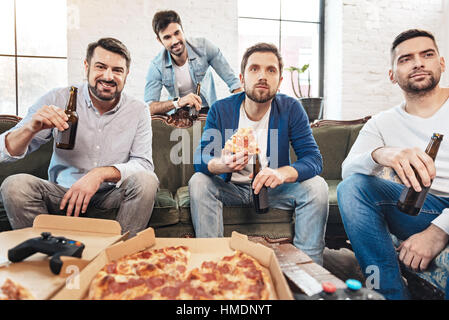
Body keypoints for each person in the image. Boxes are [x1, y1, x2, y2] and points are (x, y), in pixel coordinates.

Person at [0, 38, 159, 237]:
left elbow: (144, 164)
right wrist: (30, 128)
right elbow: (4, 152)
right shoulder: (58, 98)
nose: (108, 76)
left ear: (127, 74)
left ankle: (120, 254)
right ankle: (49, 251)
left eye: (117, 70)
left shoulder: (138, 110)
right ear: (86, 66)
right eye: (100, 67)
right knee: (15, 186)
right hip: (61, 192)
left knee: (146, 181)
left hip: (109, 195)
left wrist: (98, 174)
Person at [189, 42, 329, 265]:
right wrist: (221, 164)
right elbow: (200, 159)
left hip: (274, 191)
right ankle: (212, 264)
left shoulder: (292, 109)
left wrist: (282, 173)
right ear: (242, 78)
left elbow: (313, 159)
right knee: (199, 181)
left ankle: (308, 269)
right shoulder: (220, 109)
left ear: (280, 81)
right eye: (254, 69)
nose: (262, 76)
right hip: (230, 189)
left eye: (271, 70)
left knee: (317, 187)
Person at [337, 29, 449, 299]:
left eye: (427, 54)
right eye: (406, 59)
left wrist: (439, 231)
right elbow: (347, 171)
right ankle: (390, 295)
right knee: (352, 187)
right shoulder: (382, 122)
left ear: (441, 63)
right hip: (419, 207)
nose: (418, 63)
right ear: (392, 75)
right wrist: (381, 154)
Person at [144, 10, 242, 116]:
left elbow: (234, 84)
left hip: (207, 109)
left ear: (183, 30)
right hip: (178, 113)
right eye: (167, 37)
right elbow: (149, 107)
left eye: (177, 33)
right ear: (159, 40)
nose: (175, 41)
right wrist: (178, 102)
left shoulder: (204, 47)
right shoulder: (156, 66)